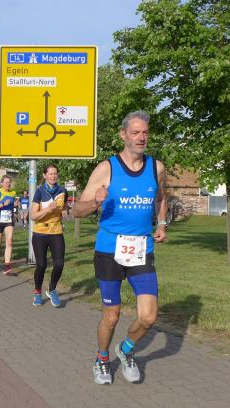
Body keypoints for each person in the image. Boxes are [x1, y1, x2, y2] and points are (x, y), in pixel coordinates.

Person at [72, 110, 168, 385]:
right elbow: (77, 210)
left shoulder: (156, 168)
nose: (141, 137)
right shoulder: (107, 169)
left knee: (148, 317)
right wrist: (95, 203)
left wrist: (162, 223)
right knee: (111, 316)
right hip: (109, 250)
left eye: (145, 132)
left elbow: (161, 197)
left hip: (141, 249)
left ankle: (125, 350)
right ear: (123, 135)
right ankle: (102, 359)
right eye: (135, 132)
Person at [30, 165, 68, 307]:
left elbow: (65, 208)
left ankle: (52, 289)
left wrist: (65, 212)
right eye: (50, 174)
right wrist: (48, 209)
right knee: (41, 265)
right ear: (45, 175)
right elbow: (33, 216)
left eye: (55, 174)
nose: (53, 176)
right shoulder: (39, 192)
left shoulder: (62, 191)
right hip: (40, 233)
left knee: (59, 264)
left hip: (56, 232)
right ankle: (37, 292)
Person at [0, 175, 18, 275]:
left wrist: (15, 205)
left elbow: (13, 206)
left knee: (9, 241)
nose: (8, 184)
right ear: (1, 183)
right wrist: (3, 204)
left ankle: (7, 266)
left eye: (9, 182)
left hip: (8, 219)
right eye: (5, 182)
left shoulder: (13, 193)